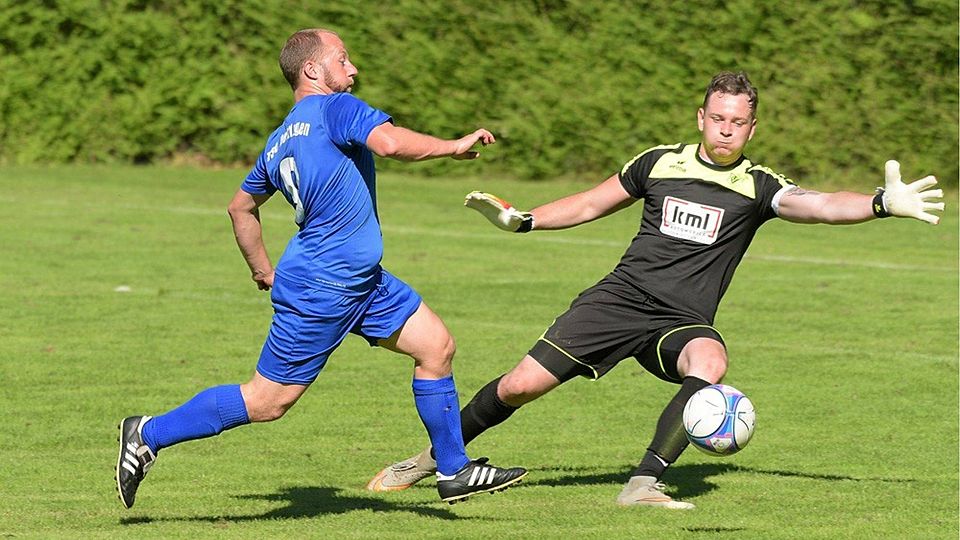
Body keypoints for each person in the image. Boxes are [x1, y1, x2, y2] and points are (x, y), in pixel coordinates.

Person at [364, 71, 944, 508]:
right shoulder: (659, 163)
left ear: (752, 127)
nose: (726, 129)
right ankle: (432, 459)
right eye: (718, 118)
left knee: (709, 361)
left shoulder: (758, 185)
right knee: (518, 387)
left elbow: (817, 204)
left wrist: (879, 203)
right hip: (618, 302)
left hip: (679, 319)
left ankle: (643, 483)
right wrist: (527, 220)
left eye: (738, 122)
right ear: (700, 117)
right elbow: (590, 203)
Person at [115, 28, 527, 509]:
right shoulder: (336, 109)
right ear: (312, 69)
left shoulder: (279, 141)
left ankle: (454, 471)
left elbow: (240, 207)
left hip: (362, 281)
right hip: (324, 285)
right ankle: (147, 433)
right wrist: (453, 147)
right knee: (267, 401)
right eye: (343, 59)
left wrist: (263, 271)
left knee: (436, 347)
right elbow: (389, 143)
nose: (353, 69)